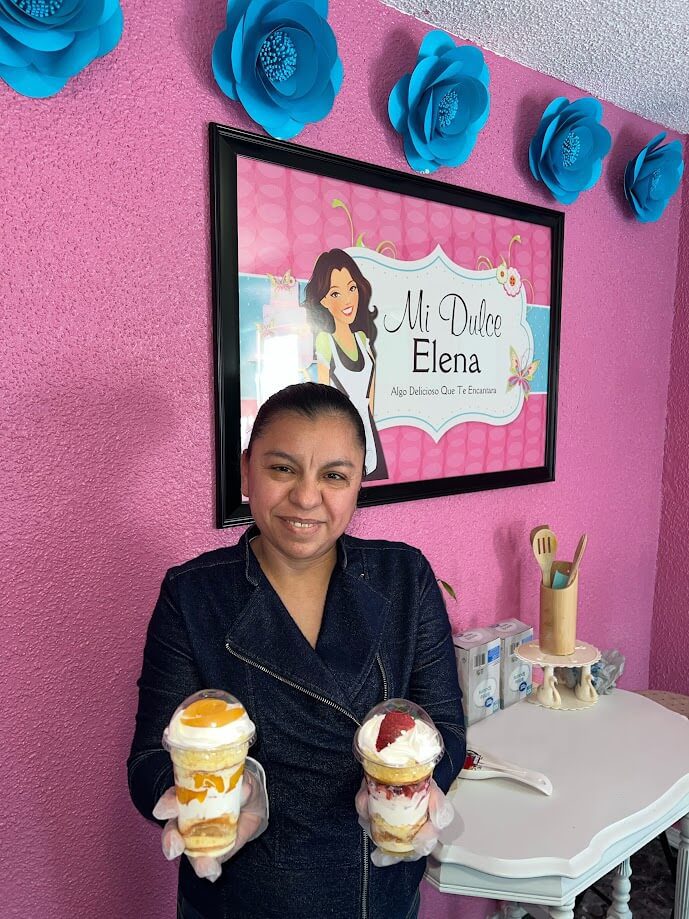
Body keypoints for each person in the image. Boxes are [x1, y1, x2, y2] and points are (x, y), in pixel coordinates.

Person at [128, 382, 465, 919]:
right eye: (282, 468)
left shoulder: (405, 577)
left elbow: (444, 725)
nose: (307, 497)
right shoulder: (192, 595)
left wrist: (415, 793)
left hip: (374, 889)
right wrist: (213, 796)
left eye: (334, 475)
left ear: (358, 483)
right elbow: (148, 758)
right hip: (241, 895)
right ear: (246, 471)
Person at [303, 249, 388, 481]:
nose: (348, 299)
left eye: (351, 288)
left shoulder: (363, 340)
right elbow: (321, 404)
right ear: (323, 301)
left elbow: (371, 402)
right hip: (339, 443)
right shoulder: (325, 341)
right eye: (335, 293)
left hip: (371, 440)